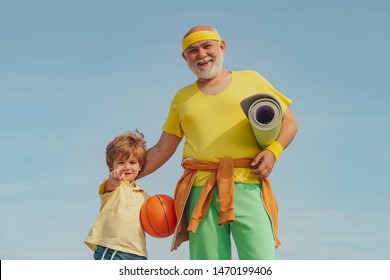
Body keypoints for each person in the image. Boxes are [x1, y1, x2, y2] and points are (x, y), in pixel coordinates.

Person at [138, 25, 298, 260]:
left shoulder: (251, 79)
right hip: (201, 193)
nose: (201, 54)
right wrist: (123, 175)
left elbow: (289, 121)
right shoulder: (182, 98)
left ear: (221, 47)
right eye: (192, 51)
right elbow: (162, 149)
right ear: (185, 58)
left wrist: (273, 152)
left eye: (207, 46)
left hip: (248, 184)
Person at [85, 130, 149, 260]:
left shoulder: (145, 196)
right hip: (112, 249)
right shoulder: (115, 185)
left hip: (138, 252)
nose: (127, 167)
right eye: (121, 163)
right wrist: (114, 179)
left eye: (132, 162)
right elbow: (110, 185)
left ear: (140, 165)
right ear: (111, 166)